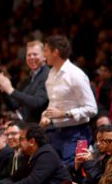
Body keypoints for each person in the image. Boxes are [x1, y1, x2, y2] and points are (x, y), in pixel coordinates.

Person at [39, 35, 97, 166]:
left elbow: (92, 108)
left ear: (56, 52)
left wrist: (65, 113)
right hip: (55, 132)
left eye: (46, 50)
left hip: (76, 133)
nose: (44, 55)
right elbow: (53, 104)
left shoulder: (76, 75)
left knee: (69, 173)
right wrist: (46, 116)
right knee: (52, 171)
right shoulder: (51, 74)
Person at [0, 40, 49, 123]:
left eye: (35, 54)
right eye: (29, 55)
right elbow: (14, 105)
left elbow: (38, 103)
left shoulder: (47, 75)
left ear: (44, 57)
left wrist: (11, 90)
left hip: (42, 128)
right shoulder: (27, 80)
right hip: (29, 127)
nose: (31, 57)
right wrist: (3, 89)